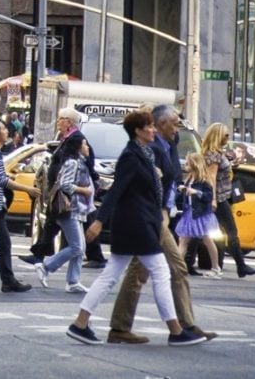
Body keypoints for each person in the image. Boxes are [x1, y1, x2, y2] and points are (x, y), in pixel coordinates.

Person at [66, 109, 205, 347]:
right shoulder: (132, 156)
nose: (153, 130)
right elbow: (117, 189)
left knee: (110, 275)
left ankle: (80, 322)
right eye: (149, 127)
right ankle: (175, 330)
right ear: (138, 132)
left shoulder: (143, 154)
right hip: (136, 223)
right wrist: (99, 220)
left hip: (138, 222)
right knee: (160, 272)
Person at [106, 105, 215, 345]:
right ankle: (183, 327)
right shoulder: (152, 149)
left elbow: (173, 179)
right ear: (160, 123)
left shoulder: (170, 144)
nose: (177, 126)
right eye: (174, 122)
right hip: (153, 215)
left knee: (138, 270)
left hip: (162, 213)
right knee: (176, 267)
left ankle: (120, 327)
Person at [189, 122, 255, 278]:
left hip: (219, 197)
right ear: (217, 135)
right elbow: (211, 178)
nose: (228, 138)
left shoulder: (214, 153)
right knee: (230, 231)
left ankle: (190, 263)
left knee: (200, 230)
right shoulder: (214, 155)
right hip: (219, 198)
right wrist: (213, 199)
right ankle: (241, 266)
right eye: (226, 135)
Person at [0, 116, 36, 292]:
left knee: (4, 243)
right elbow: (2, 180)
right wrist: (27, 189)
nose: (7, 132)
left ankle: (8, 280)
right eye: (3, 129)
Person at [34, 133, 93, 292]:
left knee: (81, 247)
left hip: (77, 209)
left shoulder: (80, 162)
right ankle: (46, 266)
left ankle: (73, 281)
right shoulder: (72, 162)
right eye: (85, 144)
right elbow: (65, 185)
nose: (88, 147)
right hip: (68, 209)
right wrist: (84, 191)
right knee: (77, 247)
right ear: (78, 146)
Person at [175, 152, 221, 277]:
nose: (185, 165)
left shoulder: (204, 180)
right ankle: (177, 268)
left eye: (187, 163)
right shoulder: (189, 179)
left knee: (207, 240)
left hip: (201, 214)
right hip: (189, 212)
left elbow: (208, 196)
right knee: (183, 240)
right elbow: (184, 195)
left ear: (194, 165)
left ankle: (216, 267)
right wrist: (182, 190)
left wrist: (195, 192)